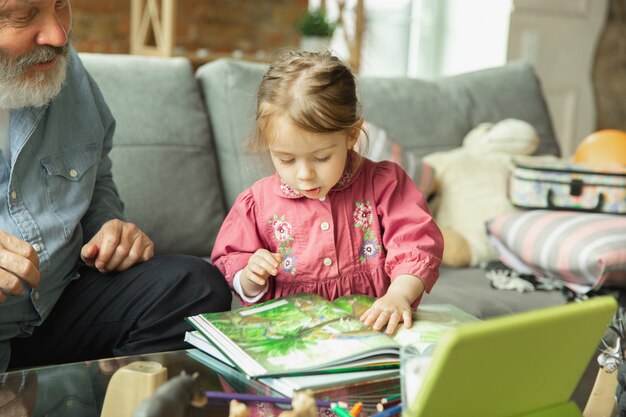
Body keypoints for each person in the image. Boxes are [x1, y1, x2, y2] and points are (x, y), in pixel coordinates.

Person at [0, 0, 231, 372]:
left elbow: (95, 173)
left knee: (194, 286)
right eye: (25, 16)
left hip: (57, 305)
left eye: (61, 5)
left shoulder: (63, 69)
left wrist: (106, 227)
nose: (58, 35)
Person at [211, 50, 443, 335]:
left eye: (321, 158)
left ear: (352, 135)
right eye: (286, 159)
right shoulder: (257, 204)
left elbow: (415, 245)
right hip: (295, 340)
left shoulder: (384, 185)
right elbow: (231, 264)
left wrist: (399, 295)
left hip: (373, 333)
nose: (304, 174)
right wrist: (251, 277)